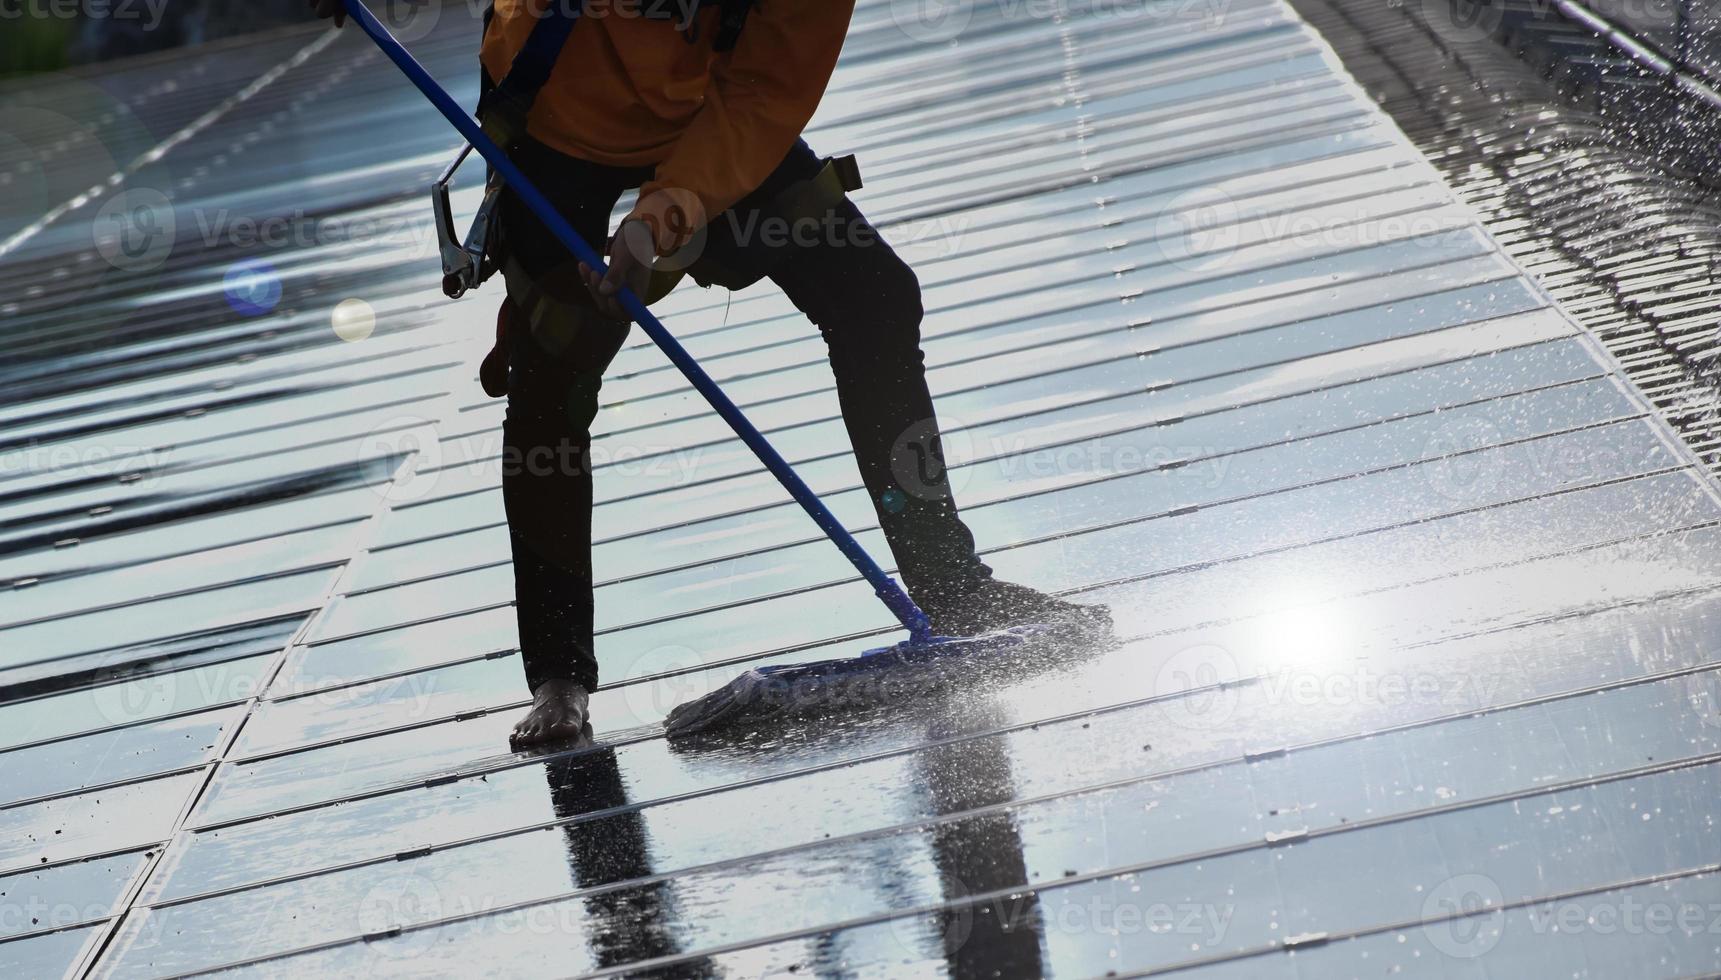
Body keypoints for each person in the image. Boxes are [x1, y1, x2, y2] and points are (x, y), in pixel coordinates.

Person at [310, 0, 1109, 747]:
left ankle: (952, 587)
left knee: (874, 298)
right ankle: (558, 675)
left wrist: (663, 216)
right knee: (550, 372)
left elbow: (763, 94)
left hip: (708, 114)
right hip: (562, 120)